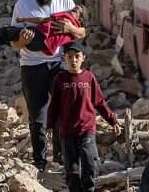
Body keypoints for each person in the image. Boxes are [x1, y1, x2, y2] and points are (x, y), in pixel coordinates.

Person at [11, 0, 86, 171]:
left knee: (65, 111)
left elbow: (81, 33)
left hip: (60, 64)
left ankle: (63, 158)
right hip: (32, 66)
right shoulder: (22, 5)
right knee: (38, 117)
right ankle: (40, 162)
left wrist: (71, 28)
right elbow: (13, 43)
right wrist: (22, 42)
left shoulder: (65, 0)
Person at [47, 42, 121, 192]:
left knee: (89, 162)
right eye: (70, 57)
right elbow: (54, 105)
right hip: (67, 131)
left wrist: (113, 121)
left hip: (86, 128)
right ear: (64, 58)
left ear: (83, 58)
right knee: (71, 169)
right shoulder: (61, 79)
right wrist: (49, 125)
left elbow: (99, 102)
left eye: (77, 56)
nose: (73, 60)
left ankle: (89, 189)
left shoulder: (89, 77)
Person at [0, 5, 84, 56]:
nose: (72, 10)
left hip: (38, 37)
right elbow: (43, 20)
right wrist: (25, 19)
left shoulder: (67, 19)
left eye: (75, 11)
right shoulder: (73, 31)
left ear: (79, 18)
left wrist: (25, 19)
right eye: (73, 9)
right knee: (7, 33)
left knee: (6, 33)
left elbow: (43, 20)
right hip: (39, 45)